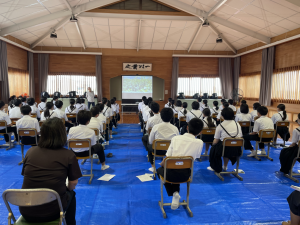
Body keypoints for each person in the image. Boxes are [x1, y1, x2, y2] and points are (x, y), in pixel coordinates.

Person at [19, 118, 82, 225]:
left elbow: (25, 174)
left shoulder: (30, 151)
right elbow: (73, 183)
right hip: (52, 212)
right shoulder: (68, 155)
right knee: (71, 194)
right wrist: (66, 189)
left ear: (42, 133)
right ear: (62, 134)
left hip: (26, 209)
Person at [156, 118, 203, 210]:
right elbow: (195, 157)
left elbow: (167, 158)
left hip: (170, 174)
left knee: (160, 170)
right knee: (178, 170)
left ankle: (174, 193)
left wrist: (161, 165)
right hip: (186, 175)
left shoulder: (176, 138)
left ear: (187, 128)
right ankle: (175, 193)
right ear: (200, 132)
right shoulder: (200, 142)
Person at [208, 108, 243, 172]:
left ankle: (215, 167)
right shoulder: (237, 124)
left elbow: (216, 140)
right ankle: (225, 166)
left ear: (222, 116)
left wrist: (213, 145)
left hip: (225, 149)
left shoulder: (220, 126)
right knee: (225, 146)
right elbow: (240, 136)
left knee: (213, 149)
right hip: (237, 149)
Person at [147, 108, 179, 172]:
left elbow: (151, 141)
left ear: (161, 116)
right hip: (170, 151)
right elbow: (177, 141)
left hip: (157, 150)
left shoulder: (155, 127)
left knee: (149, 146)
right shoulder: (175, 128)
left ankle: (153, 167)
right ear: (172, 117)